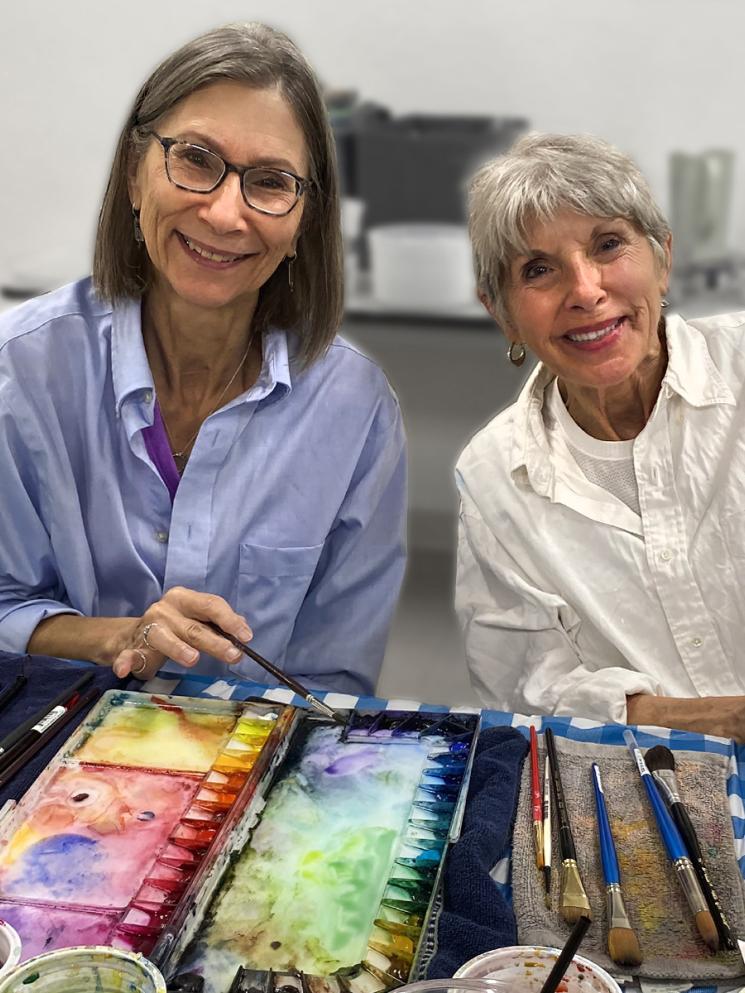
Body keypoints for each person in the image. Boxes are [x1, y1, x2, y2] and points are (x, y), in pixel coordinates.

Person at [0, 23, 406, 693]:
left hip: (248, 767)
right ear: (135, 174)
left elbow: (332, 680)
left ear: (305, 218)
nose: (224, 213)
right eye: (195, 159)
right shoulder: (23, 370)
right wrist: (117, 635)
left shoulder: (354, 410)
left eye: (271, 182)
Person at [456, 132, 745, 740]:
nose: (585, 291)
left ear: (663, 258)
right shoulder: (493, 474)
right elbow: (530, 690)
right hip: (647, 785)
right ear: (501, 310)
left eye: (608, 245)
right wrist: (716, 722)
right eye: (539, 270)